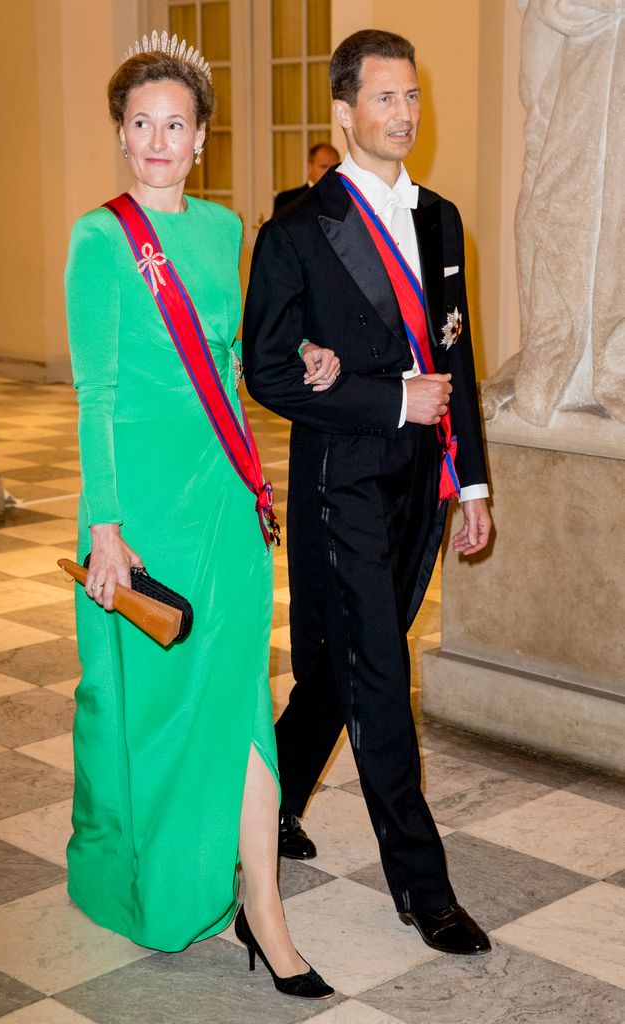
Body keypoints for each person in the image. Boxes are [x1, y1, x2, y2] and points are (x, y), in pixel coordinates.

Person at [64, 31, 332, 999]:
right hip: (138, 511)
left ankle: (263, 904)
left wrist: (306, 360)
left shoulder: (224, 234)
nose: (156, 139)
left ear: (201, 137)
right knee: (151, 714)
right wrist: (103, 524)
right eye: (141, 123)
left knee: (240, 707)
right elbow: (94, 392)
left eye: (175, 123)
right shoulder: (98, 241)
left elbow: (235, 359)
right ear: (123, 133)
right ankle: (158, 877)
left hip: (223, 502)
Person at [243, 29, 493, 956]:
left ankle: (262, 813)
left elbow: (456, 359)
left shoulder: (441, 218)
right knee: (382, 678)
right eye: (385, 99)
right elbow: (267, 367)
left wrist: (471, 480)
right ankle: (423, 892)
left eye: (413, 97)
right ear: (344, 112)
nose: (405, 115)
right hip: (338, 485)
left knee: (333, 675)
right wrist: (389, 396)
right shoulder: (298, 232)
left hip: (418, 489)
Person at [273, 142, 341, 212]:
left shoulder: (343, 198)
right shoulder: (286, 199)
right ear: (309, 167)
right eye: (324, 166)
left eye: (334, 167)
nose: (330, 171)